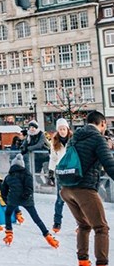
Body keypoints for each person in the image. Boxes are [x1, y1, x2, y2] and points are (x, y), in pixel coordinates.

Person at [60, 111, 114, 266]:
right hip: (84, 189)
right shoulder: (98, 138)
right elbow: (109, 165)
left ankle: (83, 261)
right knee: (101, 228)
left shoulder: (74, 138)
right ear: (102, 123)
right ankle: (101, 263)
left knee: (84, 225)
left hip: (67, 189)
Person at [1, 153, 59, 249]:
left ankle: (9, 232)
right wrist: (26, 196)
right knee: (36, 218)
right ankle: (47, 236)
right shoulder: (27, 174)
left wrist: (7, 201)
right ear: (22, 165)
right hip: (26, 200)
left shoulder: (9, 176)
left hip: (13, 199)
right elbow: (29, 187)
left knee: (8, 213)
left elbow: (3, 191)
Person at [47, 118, 72, 233]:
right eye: (60, 129)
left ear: (67, 129)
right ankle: (57, 222)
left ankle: (81, 222)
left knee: (77, 198)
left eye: (64, 129)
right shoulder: (54, 143)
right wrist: (51, 172)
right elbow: (53, 158)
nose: (62, 131)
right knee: (60, 199)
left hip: (73, 171)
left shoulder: (73, 140)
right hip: (60, 172)